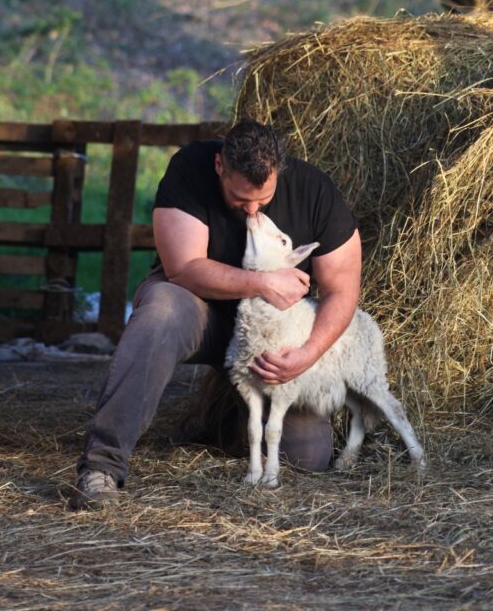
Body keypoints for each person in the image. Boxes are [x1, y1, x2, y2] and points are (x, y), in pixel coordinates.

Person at [73, 118, 362, 506]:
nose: (253, 210)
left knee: (307, 459)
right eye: (241, 200)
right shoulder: (190, 168)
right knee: (160, 312)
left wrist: (308, 353)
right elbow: (184, 269)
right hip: (202, 309)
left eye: (263, 198)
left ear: (279, 170)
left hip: (271, 334)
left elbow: (342, 291)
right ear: (219, 167)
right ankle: (101, 466)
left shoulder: (315, 190)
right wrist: (262, 282)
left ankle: (227, 422)